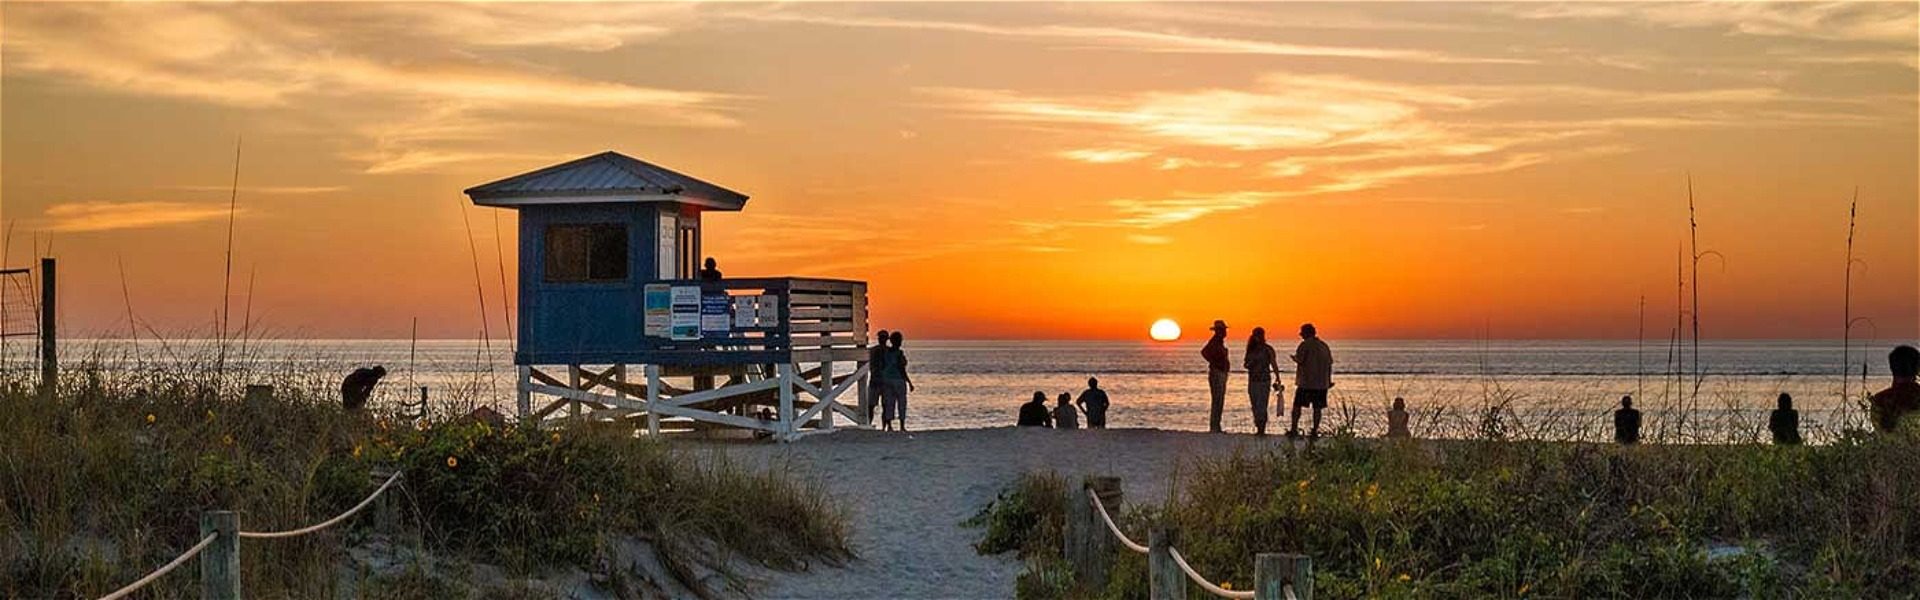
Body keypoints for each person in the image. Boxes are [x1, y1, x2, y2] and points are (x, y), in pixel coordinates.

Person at [1286, 323, 1333, 439]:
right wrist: (1329, 380)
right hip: (1321, 383)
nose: (1300, 334)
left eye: (1302, 332)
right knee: (1317, 408)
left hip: (1306, 383)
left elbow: (1300, 360)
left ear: (1306, 333)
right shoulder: (1324, 346)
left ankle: (1294, 429)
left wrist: (1294, 359)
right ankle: (1314, 431)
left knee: (1297, 406)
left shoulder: (1304, 345)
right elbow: (1329, 364)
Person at [1870, 345, 1920, 433]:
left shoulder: (1879, 399)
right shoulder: (1917, 396)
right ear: (1917, 369)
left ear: (1891, 367)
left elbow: (1879, 431)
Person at [1243, 327, 1281, 435]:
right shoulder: (1251, 349)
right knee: (1254, 404)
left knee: (1262, 405)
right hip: (1253, 380)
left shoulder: (1268, 349)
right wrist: (1251, 363)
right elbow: (1245, 364)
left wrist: (1278, 377)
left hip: (1264, 380)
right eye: (1256, 335)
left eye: (1260, 335)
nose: (1258, 337)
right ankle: (1258, 425)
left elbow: (1273, 364)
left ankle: (1261, 428)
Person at [881, 331, 917, 431]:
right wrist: (909, 382)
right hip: (898, 380)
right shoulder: (899, 353)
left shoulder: (886, 353)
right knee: (901, 403)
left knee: (889, 403)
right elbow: (901, 369)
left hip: (887, 379)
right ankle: (902, 425)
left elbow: (883, 366)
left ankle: (889, 426)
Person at [1201, 320, 1231, 433]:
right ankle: (1215, 427)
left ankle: (1216, 426)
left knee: (1219, 399)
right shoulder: (1215, 341)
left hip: (1220, 372)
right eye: (1223, 330)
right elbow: (1204, 352)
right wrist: (1215, 362)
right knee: (1217, 399)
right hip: (1217, 373)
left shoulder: (1219, 342)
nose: (1225, 332)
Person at [865, 329, 891, 423]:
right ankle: (871, 423)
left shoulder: (874, 350)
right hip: (878, 381)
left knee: (884, 406)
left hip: (881, 381)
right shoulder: (884, 351)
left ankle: (883, 424)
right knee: (874, 406)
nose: (882, 339)